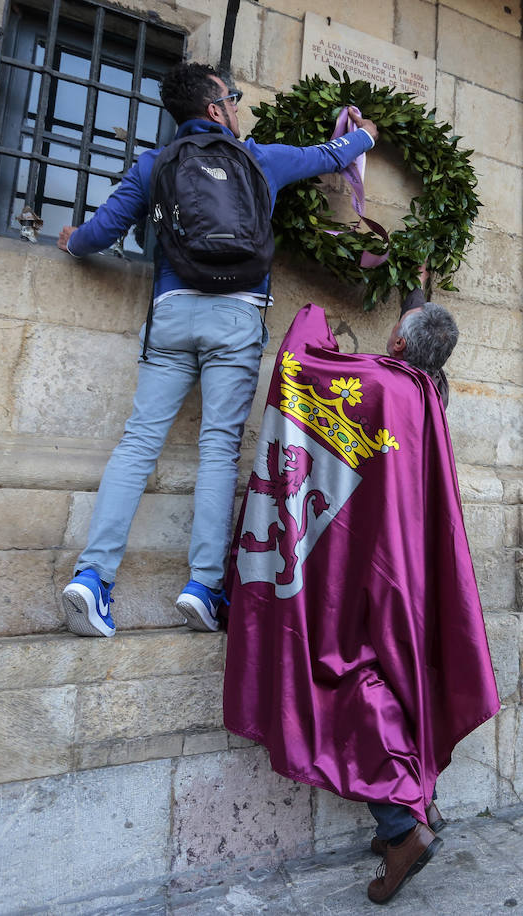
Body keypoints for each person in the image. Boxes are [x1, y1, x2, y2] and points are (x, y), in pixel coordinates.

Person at [57, 61, 379, 638]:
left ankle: (93, 576)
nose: (236, 105)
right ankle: (202, 586)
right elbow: (329, 156)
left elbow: (99, 232)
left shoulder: (155, 165)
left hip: (173, 310)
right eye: (231, 97)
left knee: (138, 443)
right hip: (238, 315)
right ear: (214, 109)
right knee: (218, 449)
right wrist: (365, 136)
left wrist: (70, 240)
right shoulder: (259, 158)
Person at [222, 292, 497, 906]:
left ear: (398, 344)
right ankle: (421, 803)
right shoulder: (429, 397)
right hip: (413, 571)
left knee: (349, 673)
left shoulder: (380, 381)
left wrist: (312, 318)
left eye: (394, 330)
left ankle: (401, 829)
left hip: (366, 571)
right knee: (405, 675)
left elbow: (301, 365)